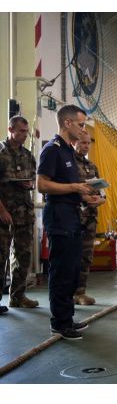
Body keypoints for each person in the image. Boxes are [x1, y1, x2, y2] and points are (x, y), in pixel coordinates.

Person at [37, 105, 95, 340]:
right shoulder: (52, 150)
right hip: (59, 216)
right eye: (81, 125)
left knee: (72, 270)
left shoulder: (70, 152)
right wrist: (73, 188)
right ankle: (59, 323)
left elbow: (70, 187)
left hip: (72, 214)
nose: (84, 130)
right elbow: (42, 184)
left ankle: (67, 317)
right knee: (61, 271)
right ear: (68, 123)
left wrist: (84, 195)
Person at [0, 116, 37, 312]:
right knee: (1, 257)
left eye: (26, 131)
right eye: (21, 131)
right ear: (10, 129)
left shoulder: (28, 155)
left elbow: (33, 180)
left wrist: (29, 184)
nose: (25, 135)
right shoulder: (1, 153)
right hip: (4, 215)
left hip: (25, 213)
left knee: (23, 256)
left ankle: (18, 296)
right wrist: (3, 211)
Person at [72, 131, 106, 305]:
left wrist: (99, 199)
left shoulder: (91, 166)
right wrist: (82, 197)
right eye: (82, 143)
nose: (85, 146)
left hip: (90, 217)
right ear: (74, 142)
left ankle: (80, 292)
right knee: (71, 256)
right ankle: (68, 293)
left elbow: (100, 191)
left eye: (88, 144)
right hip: (73, 217)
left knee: (86, 256)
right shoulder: (68, 164)